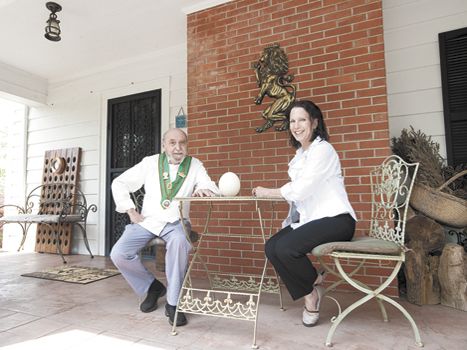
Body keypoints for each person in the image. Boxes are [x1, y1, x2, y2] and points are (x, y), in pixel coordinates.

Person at [252, 100, 356, 327]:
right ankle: (315, 282)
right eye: (292, 121)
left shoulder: (323, 150)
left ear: (315, 122)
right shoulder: (301, 155)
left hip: (337, 219)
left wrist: (267, 192)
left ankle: (311, 295)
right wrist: (290, 224)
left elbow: (301, 189)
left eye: (302, 120)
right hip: (314, 220)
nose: (296, 125)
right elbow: (300, 200)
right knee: (272, 247)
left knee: (287, 248)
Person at [110, 128, 219, 327]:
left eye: (182, 143)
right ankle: (152, 287)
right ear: (164, 145)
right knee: (119, 253)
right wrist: (130, 210)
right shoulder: (150, 162)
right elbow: (120, 182)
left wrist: (204, 188)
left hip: (177, 221)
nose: (178, 147)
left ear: (187, 145)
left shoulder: (194, 165)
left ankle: (173, 303)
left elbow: (210, 184)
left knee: (179, 242)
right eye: (172, 143)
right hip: (148, 221)